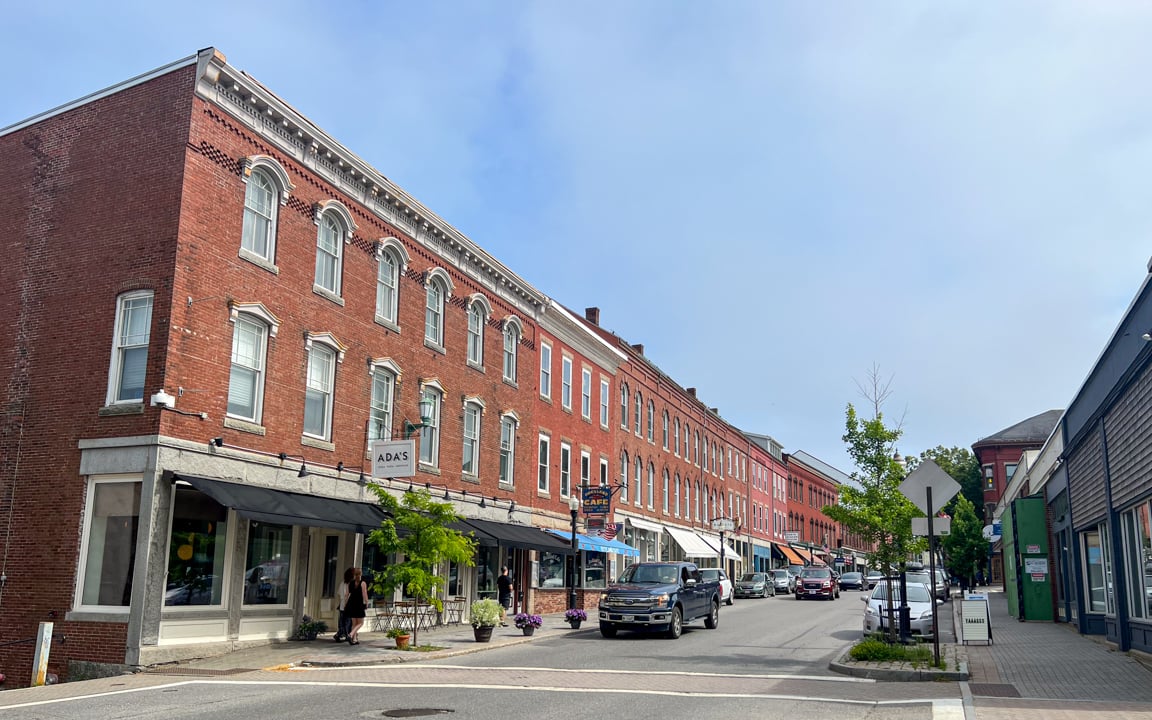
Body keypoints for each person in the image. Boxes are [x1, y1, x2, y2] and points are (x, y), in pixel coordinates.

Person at [343, 567, 369, 645]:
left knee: (354, 623)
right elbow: (364, 595)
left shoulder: (350, 583)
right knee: (360, 623)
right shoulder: (363, 583)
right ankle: (350, 635)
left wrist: (345, 604)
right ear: (361, 574)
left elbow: (346, 595)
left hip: (351, 603)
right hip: (359, 604)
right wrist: (367, 603)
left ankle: (354, 640)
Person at [333, 567, 354, 642]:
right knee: (347, 621)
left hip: (342, 605)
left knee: (342, 621)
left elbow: (339, 594)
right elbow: (347, 595)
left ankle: (339, 634)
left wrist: (342, 603)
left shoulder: (342, 583)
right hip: (348, 605)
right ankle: (347, 635)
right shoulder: (351, 584)